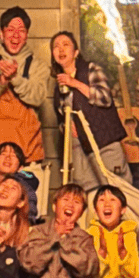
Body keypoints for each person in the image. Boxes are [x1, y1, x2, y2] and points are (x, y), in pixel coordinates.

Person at [51, 31, 131, 191]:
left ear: (76, 52)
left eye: (66, 45)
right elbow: (61, 120)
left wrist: (74, 83)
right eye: (56, 46)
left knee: (118, 190)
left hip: (105, 142)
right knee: (88, 191)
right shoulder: (59, 87)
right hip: (81, 149)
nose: (61, 49)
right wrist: (67, 126)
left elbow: (105, 98)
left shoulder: (90, 69)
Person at [0, 6, 47, 165]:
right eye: (10, 30)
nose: (15, 36)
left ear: (27, 35)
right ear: (1, 33)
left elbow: (38, 97)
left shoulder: (38, 66)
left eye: (21, 31)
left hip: (28, 155)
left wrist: (15, 78)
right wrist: (1, 83)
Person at [86, 185, 139, 278]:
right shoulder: (90, 234)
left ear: (123, 209)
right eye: (101, 200)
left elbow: (134, 276)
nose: (107, 204)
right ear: (95, 210)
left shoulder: (129, 234)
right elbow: (89, 276)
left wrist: (122, 253)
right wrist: (102, 254)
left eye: (113, 200)